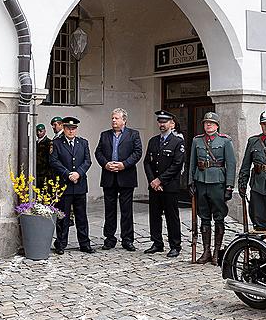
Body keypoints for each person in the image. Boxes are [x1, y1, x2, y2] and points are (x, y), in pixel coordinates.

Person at [188, 112, 235, 265]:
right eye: (206, 123)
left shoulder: (225, 141)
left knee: (219, 217)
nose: (208, 125)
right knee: (204, 217)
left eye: (211, 123)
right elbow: (192, 162)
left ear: (216, 125)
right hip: (201, 182)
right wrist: (191, 182)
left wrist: (229, 186)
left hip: (218, 183)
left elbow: (231, 164)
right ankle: (206, 250)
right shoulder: (197, 141)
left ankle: (216, 251)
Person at [95, 108, 143, 252]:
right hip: (109, 176)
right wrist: (105, 163)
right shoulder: (105, 135)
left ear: (124, 120)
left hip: (126, 176)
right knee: (109, 210)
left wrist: (124, 164)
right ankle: (109, 239)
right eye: (112, 118)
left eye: (116, 118)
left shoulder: (133, 134)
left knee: (126, 210)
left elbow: (137, 152)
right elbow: (98, 152)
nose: (113, 121)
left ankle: (127, 239)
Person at [143, 111, 186, 257]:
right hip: (154, 186)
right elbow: (147, 162)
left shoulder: (177, 141)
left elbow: (177, 165)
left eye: (165, 122)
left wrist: (160, 180)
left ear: (171, 123)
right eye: (160, 122)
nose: (162, 124)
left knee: (171, 216)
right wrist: (152, 181)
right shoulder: (153, 141)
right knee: (154, 215)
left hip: (169, 186)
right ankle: (157, 243)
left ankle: (175, 245)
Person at [49, 117, 94, 255]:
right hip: (64, 185)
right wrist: (68, 174)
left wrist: (78, 173)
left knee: (81, 216)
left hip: (79, 184)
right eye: (68, 128)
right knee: (63, 216)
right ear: (63, 128)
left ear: (76, 129)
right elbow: (54, 161)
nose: (71, 131)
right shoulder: (56, 143)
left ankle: (84, 243)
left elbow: (87, 161)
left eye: (73, 128)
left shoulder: (83, 142)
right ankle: (61, 244)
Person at [35, 123, 51, 188]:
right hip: (37, 171)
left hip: (45, 172)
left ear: (45, 131)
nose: (38, 133)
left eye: (41, 131)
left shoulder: (48, 142)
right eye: (37, 131)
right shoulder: (35, 143)